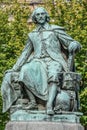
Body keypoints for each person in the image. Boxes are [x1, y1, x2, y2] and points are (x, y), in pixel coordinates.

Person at [1, 7, 81, 115]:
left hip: (54, 60)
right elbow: (25, 53)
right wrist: (14, 68)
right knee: (24, 70)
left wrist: (74, 44)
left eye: (42, 14)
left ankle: (49, 105)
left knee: (53, 74)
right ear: (34, 18)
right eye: (37, 15)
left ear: (46, 16)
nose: (40, 16)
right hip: (38, 61)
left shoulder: (54, 30)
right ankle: (33, 102)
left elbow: (72, 43)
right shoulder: (32, 34)